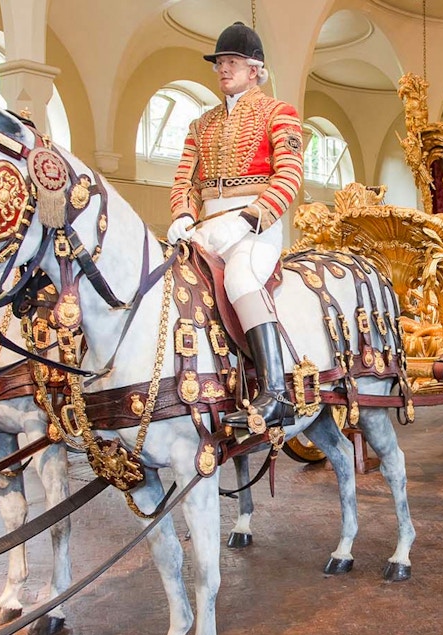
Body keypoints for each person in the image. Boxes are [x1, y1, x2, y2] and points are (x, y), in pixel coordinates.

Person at [167, 21, 304, 432]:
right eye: (220, 63)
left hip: (254, 223)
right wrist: (182, 215)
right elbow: (184, 180)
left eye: (232, 62)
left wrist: (250, 217)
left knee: (242, 279)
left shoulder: (279, 113)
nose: (223, 69)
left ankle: (276, 391)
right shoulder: (200, 124)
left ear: (255, 69)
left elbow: (290, 174)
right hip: (207, 224)